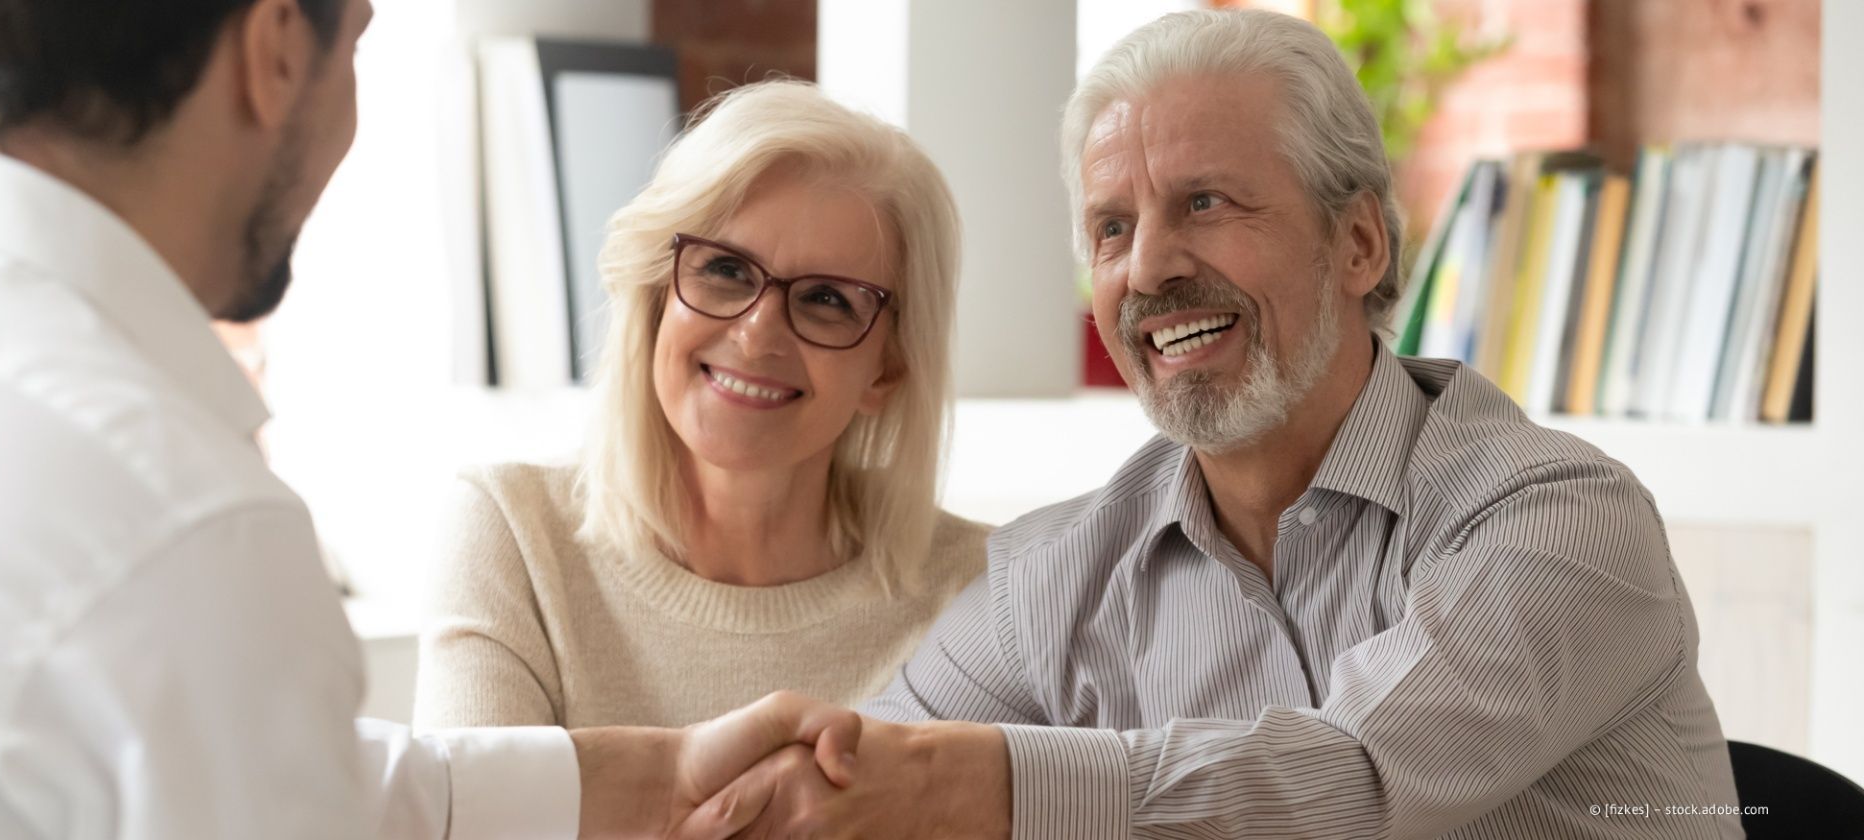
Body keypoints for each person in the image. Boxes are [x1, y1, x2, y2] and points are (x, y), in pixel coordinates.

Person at [687, 9, 1744, 839]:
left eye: (1205, 203)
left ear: (1359, 245)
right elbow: (855, 779)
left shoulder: (1560, 520)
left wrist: (979, 785)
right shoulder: (1051, 580)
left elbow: (1353, 781)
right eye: (1112, 228)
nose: (1148, 268)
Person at [0, 1, 859, 837]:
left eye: (827, 299)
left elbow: (293, 784)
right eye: (358, 45)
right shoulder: (187, 528)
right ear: (274, 51)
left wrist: (657, 779)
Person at [412, 80, 990, 731]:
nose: (757, 335)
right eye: (725, 270)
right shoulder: (515, 537)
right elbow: (472, 796)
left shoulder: (985, 592)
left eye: (827, 299)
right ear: (656, 294)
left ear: (888, 368)